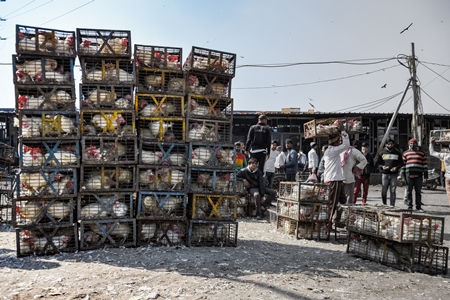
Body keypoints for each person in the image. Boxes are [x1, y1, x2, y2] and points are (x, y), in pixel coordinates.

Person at [323, 123, 349, 229]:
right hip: (334, 180)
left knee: (342, 201)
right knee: (332, 203)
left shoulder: (331, 151)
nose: (339, 142)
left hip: (336, 179)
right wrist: (343, 132)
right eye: (338, 140)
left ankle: (336, 220)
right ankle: (327, 224)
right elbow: (346, 145)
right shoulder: (332, 151)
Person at [402, 138, 428, 211]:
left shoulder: (421, 153)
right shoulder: (405, 153)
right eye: (411, 143)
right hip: (408, 175)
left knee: (418, 192)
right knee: (409, 191)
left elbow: (425, 165)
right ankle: (410, 206)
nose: (412, 145)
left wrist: (425, 175)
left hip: (418, 175)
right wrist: (402, 176)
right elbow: (403, 166)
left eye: (414, 143)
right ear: (408, 144)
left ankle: (418, 206)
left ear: (417, 144)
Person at [376, 139, 404, 206]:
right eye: (388, 144)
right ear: (386, 144)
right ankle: (384, 204)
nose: (390, 145)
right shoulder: (382, 152)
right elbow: (377, 163)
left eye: (391, 144)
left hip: (394, 174)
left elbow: (401, 163)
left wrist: (396, 167)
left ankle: (392, 205)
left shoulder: (397, 153)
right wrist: (382, 167)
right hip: (385, 174)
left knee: (393, 190)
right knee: (384, 190)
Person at [430, 137, 450, 205]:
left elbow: (432, 152)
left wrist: (431, 143)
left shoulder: (445, 155)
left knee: (449, 194)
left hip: (448, 176)